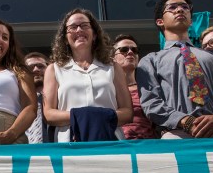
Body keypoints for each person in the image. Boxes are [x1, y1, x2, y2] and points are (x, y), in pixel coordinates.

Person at [137, 0, 213, 139]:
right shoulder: (151, 60)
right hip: (176, 134)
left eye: (185, 7)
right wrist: (185, 121)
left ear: (191, 21)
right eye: (172, 7)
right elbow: (151, 102)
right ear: (160, 21)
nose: (180, 10)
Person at [44, 8, 132, 142]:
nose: (79, 30)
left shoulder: (113, 67)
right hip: (69, 142)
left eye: (84, 26)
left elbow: (127, 112)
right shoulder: (54, 69)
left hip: (111, 140)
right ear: (66, 38)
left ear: (95, 34)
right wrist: (83, 116)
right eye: (72, 27)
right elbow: (49, 114)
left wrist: (97, 117)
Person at [112, 34, 154, 139]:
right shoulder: (107, 90)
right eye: (124, 49)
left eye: (134, 50)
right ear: (113, 57)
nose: (130, 52)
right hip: (115, 145)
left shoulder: (149, 88)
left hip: (146, 146)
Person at [24, 51, 50, 143]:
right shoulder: (18, 100)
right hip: (26, 152)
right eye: (30, 67)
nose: (36, 69)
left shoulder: (60, 97)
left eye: (40, 66)